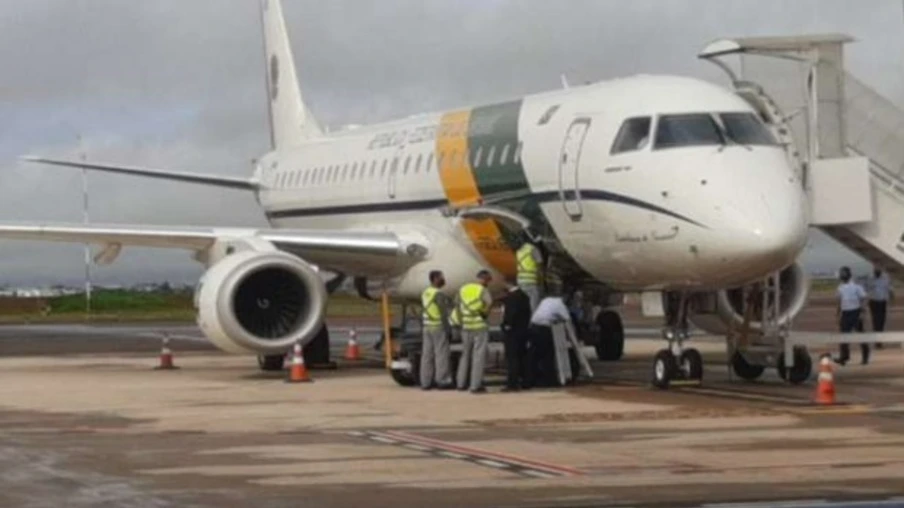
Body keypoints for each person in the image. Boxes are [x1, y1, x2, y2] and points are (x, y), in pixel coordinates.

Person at [455, 270, 494, 394]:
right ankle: (475, 386)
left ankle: (460, 384)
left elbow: (457, 305)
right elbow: (489, 304)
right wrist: (484, 314)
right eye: (488, 280)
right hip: (479, 326)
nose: (488, 283)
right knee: (478, 356)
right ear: (484, 279)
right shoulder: (483, 290)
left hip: (465, 326)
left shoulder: (463, 289)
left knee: (465, 355)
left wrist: (462, 321)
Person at [526, 293, 575, 388]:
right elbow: (568, 320)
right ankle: (548, 380)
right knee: (548, 355)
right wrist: (573, 335)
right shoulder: (560, 305)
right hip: (543, 329)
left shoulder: (546, 300)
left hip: (533, 327)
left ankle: (530, 380)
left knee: (533, 355)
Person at [419, 270, 454, 390]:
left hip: (427, 326)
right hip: (437, 326)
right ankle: (442, 380)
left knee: (427, 355)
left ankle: (425, 382)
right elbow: (443, 313)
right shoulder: (438, 294)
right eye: (441, 278)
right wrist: (448, 329)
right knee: (441, 355)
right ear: (435, 279)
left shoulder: (426, 293)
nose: (443, 280)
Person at [500, 284, 532, 392]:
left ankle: (512, 383)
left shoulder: (511, 298)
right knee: (522, 356)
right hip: (523, 331)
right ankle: (525, 381)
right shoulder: (524, 296)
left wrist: (506, 326)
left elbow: (510, 315)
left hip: (512, 332)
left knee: (512, 358)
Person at [836, 266, 869, 365]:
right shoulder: (840, 288)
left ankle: (865, 357)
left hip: (855, 312)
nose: (842, 275)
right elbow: (839, 302)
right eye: (841, 273)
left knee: (861, 336)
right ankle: (844, 357)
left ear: (849, 275)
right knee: (843, 336)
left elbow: (863, 299)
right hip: (845, 313)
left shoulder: (856, 287)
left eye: (844, 273)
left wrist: (862, 313)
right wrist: (838, 315)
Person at [516, 233, 544, 311]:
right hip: (530, 281)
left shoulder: (520, 250)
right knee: (535, 305)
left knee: (528, 304)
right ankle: (535, 321)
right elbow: (539, 266)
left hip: (520, 281)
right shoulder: (533, 249)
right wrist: (541, 282)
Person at [868, 266, 893, 349]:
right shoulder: (870, 278)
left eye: (878, 270)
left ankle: (879, 340)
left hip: (882, 302)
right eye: (875, 270)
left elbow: (890, 289)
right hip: (873, 302)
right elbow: (865, 289)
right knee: (875, 321)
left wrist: (891, 299)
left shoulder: (886, 278)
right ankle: (878, 342)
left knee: (882, 321)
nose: (877, 271)